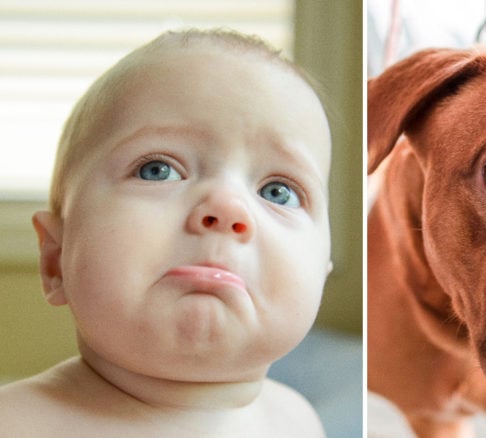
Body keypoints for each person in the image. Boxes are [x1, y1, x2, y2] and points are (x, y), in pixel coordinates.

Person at [0, 28, 332, 437]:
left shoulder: (297, 422)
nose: (227, 208)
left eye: (278, 192)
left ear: (322, 273)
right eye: (157, 170)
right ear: (55, 259)